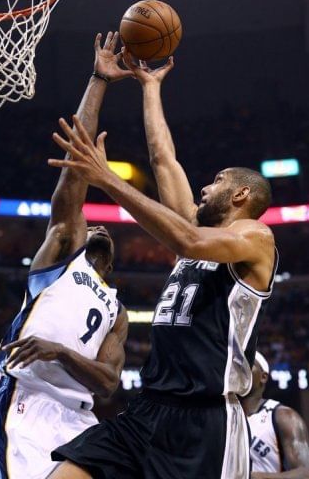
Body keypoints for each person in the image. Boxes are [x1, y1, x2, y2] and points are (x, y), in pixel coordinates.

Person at [47, 54, 279, 479]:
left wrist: (108, 179)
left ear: (242, 194)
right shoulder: (197, 229)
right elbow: (163, 160)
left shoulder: (256, 238)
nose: (206, 187)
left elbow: (186, 240)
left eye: (218, 181)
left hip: (204, 421)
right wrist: (149, 87)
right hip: (148, 409)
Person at [0, 32, 131, 479]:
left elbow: (108, 384)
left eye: (106, 229)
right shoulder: (66, 253)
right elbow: (73, 173)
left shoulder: (117, 310)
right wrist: (99, 80)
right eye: (92, 225)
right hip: (27, 406)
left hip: (81, 421)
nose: (97, 227)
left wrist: (60, 353)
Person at [241, 352, 309, 479]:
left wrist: (251, 477)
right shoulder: (222, 417)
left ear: (263, 377)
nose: (240, 368)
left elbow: (308, 474)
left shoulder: (284, 417)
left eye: (248, 363)